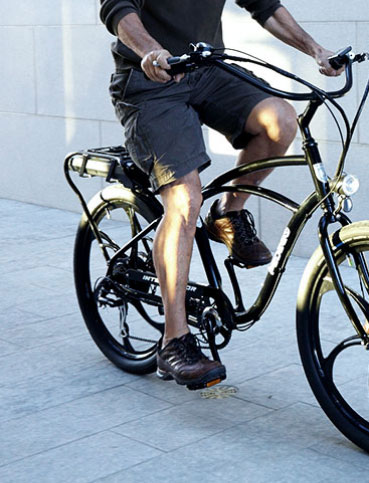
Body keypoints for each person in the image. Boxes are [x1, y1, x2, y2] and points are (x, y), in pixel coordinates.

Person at [99, 0, 343, 388]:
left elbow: (265, 6)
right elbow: (117, 8)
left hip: (208, 71)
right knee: (184, 199)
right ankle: (174, 340)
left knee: (279, 121)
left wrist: (316, 50)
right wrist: (149, 50)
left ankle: (228, 213)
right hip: (150, 81)